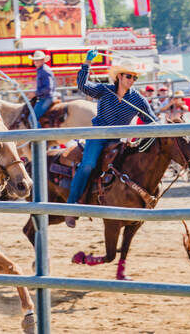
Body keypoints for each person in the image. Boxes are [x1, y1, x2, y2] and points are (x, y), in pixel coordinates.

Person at [64, 50, 157, 228]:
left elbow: (151, 120)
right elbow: (83, 86)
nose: (131, 80)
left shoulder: (137, 99)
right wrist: (86, 64)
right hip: (98, 135)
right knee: (88, 165)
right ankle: (71, 206)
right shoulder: (105, 90)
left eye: (134, 78)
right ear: (120, 76)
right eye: (129, 76)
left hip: (118, 140)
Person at [29, 50, 58, 127]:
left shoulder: (44, 71)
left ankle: (40, 138)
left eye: (37, 60)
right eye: (35, 60)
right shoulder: (42, 70)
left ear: (42, 60)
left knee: (32, 118)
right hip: (46, 97)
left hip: (47, 98)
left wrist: (35, 93)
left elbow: (48, 88)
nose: (35, 62)